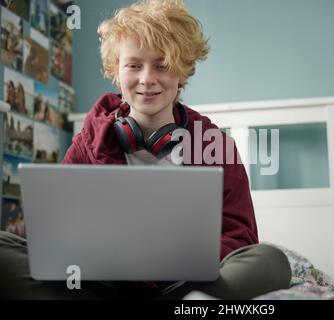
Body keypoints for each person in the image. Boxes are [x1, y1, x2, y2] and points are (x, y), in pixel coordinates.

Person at [0, 0, 291, 300]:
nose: (147, 78)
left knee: (270, 261)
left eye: (162, 65)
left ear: (182, 69)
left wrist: (172, 259)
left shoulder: (217, 147)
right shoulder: (90, 138)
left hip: (185, 285)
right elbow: (56, 225)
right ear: (115, 70)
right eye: (134, 65)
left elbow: (241, 238)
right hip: (102, 285)